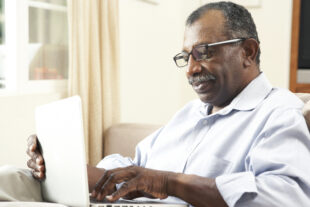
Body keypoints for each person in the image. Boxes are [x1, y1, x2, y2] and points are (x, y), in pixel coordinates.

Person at [26, 1, 310, 207]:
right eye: (186, 57)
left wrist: (169, 182)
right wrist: (68, 169)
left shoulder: (279, 112)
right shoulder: (190, 113)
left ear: (248, 52)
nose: (191, 69)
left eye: (204, 53)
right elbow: (137, 167)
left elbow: (287, 197)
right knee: (14, 181)